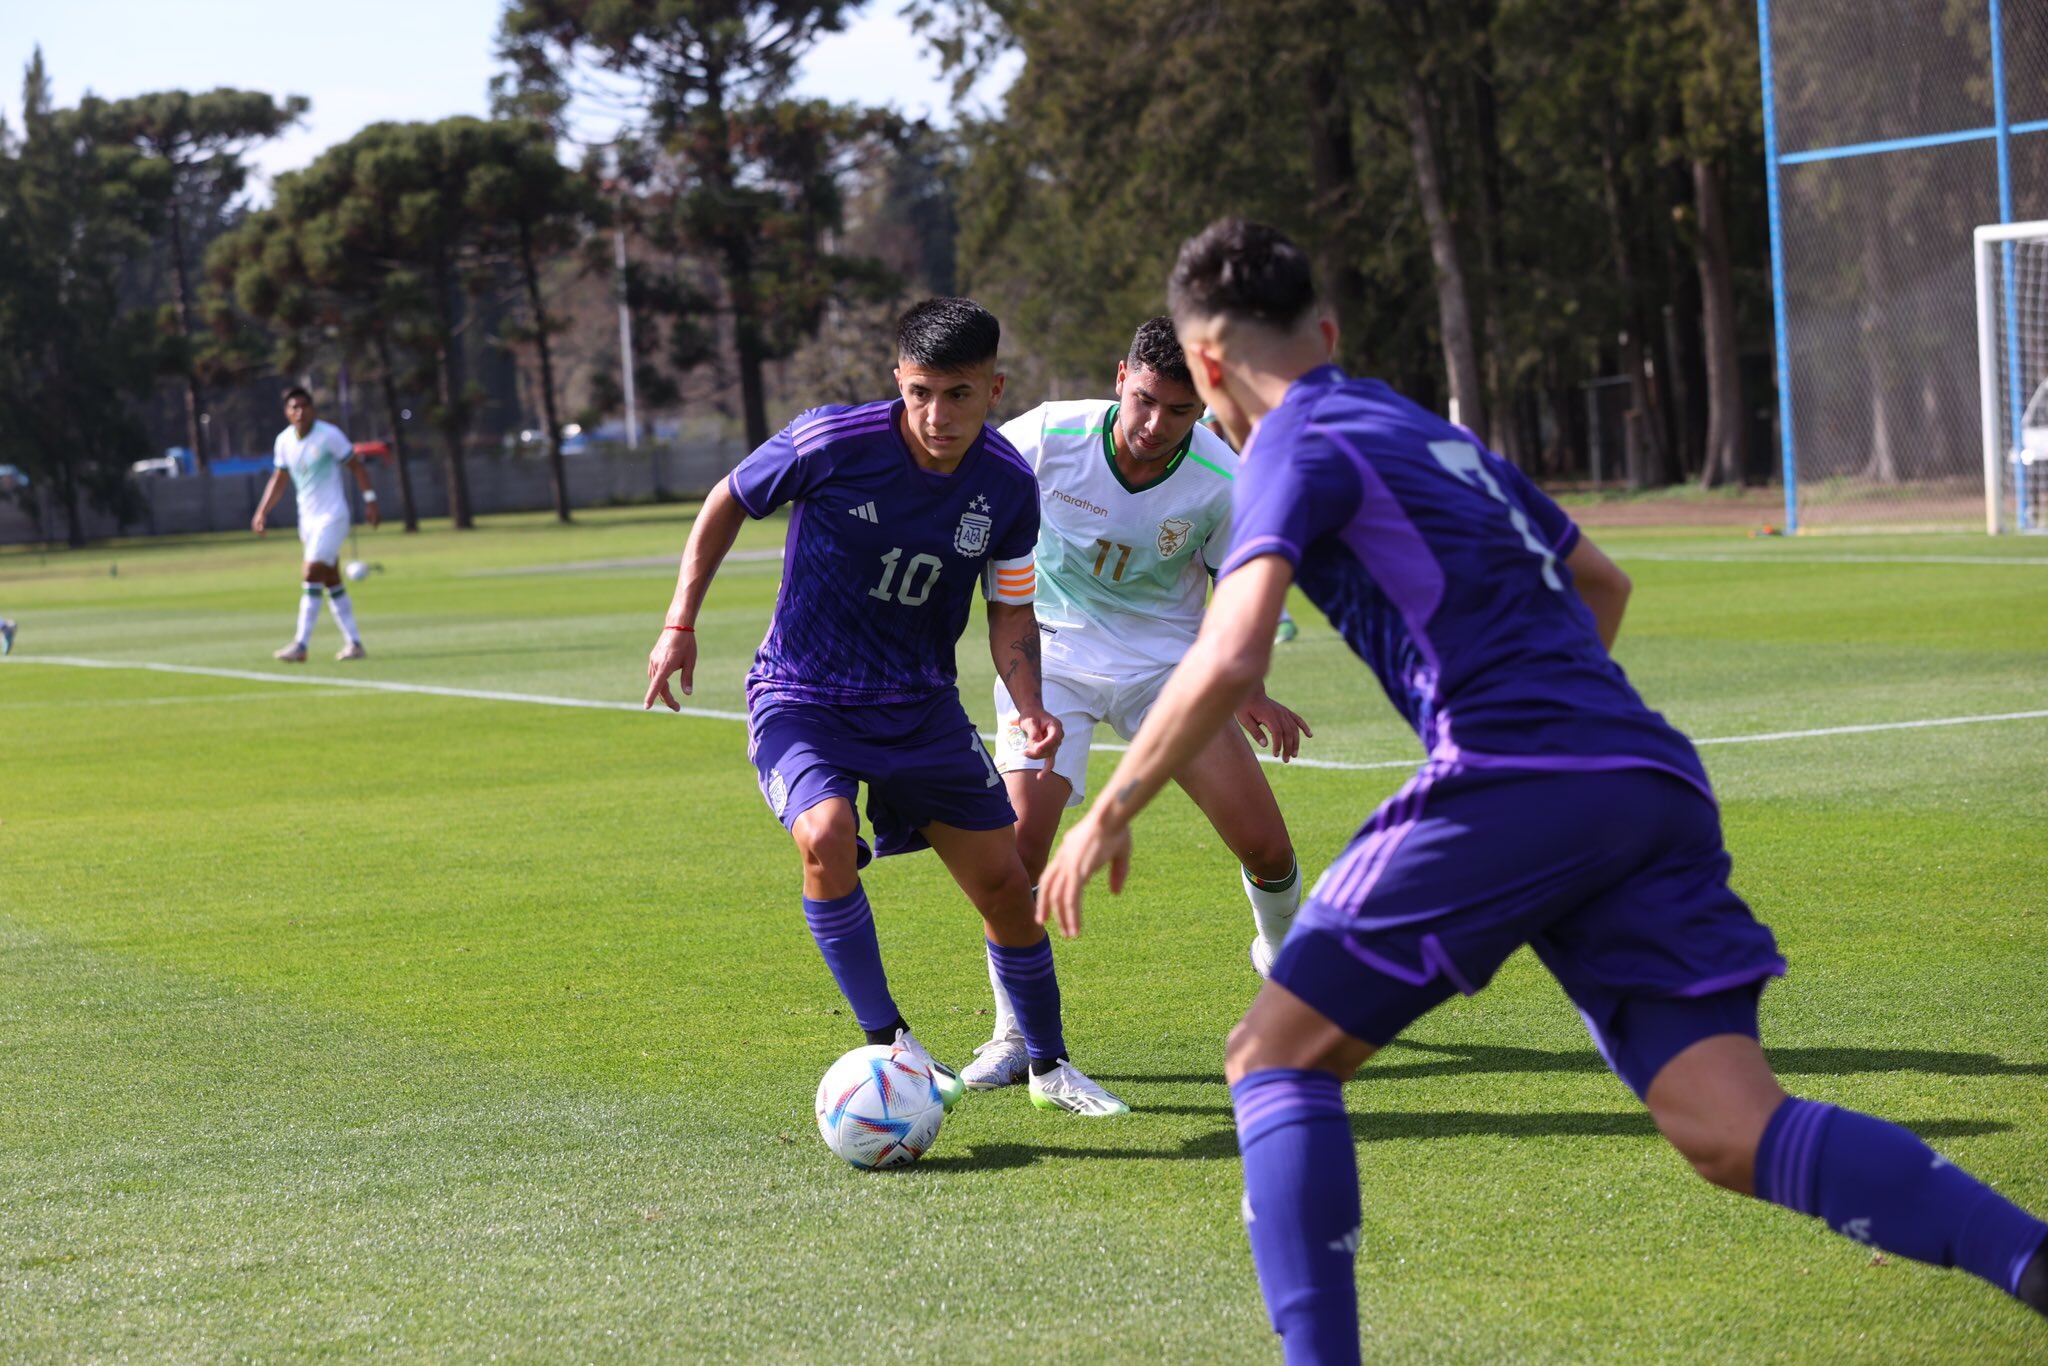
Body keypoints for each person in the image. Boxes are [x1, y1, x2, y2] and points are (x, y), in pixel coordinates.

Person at [1040, 220, 2048, 1359]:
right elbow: (1596, 580)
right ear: (1325, 332)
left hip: (1514, 769)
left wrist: (1111, 806)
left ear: (1207, 364)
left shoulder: (1290, 441)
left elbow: (1227, 653)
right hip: (1646, 770)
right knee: (1727, 1126)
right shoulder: (1424, 428)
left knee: (1270, 1056)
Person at [643, 297, 1128, 1116]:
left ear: (995, 388)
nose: (937, 415)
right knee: (827, 836)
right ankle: (888, 1046)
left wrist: (1030, 701)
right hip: (801, 696)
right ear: (898, 381)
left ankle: (1047, 1066)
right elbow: (728, 497)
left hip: (921, 708)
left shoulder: (1008, 485)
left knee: (1007, 887)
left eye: (960, 394)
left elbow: (1009, 607)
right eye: (920, 392)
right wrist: (678, 621)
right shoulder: (832, 443)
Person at [959, 317, 1311, 1091]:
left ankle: (1287, 972)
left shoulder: (1224, 480)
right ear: (1121, 377)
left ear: (1205, 409)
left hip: (1169, 675)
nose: (1155, 426)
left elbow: (1240, 586)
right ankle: (1015, 1033)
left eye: (1179, 411)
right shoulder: (1051, 433)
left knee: (1268, 849)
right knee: (1018, 853)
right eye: (1145, 401)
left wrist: (1248, 688)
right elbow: (965, 482)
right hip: (1049, 661)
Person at [252, 387, 377, 661]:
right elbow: (280, 479)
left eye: (304, 406)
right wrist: (263, 511)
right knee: (331, 579)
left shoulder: (329, 435)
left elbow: (356, 465)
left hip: (333, 516)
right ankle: (354, 644)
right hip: (307, 520)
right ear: (287, 413)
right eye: (294, 407)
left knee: (310, 572)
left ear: (313, 409)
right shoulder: (283, 441)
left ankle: (301, 645)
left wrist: (370, 500)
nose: (300, 411)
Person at [1202, 405, 1298, 645]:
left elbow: (1214, 439)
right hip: (1251, 483)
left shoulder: (1218, 397)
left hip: (1243, 486)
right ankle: (1275, 620)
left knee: (1241, 558)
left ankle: (1267, 622)